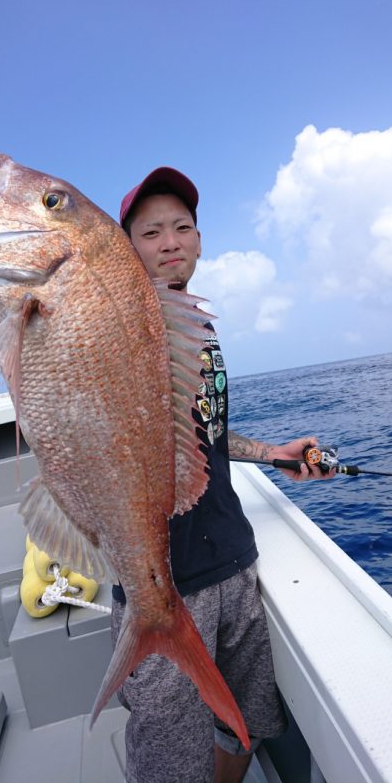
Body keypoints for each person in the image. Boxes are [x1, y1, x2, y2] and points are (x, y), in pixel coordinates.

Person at [112, 167, 332, 783]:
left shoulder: (200, 330)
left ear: (201, 242)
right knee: (167, 760)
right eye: (151, 232)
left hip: (235, 563)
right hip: (161, 588)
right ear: (126, 249)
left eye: (182, 227)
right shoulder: (126, 333)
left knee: (247, 722)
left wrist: (277, 454)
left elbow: (206, 438)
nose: (170, 241)